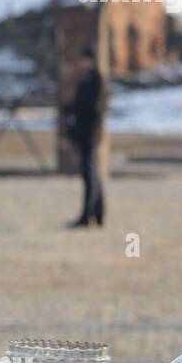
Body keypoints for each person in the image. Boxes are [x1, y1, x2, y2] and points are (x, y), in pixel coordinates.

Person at [64, 45, 106, 227]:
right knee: (92, 172)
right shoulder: (87, 79)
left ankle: (88, 215)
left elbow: (93, 107)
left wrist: (74, 110)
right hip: (85, 132)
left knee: (90, 174)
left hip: (89, 133)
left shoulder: (96, 81)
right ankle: (97, 213)